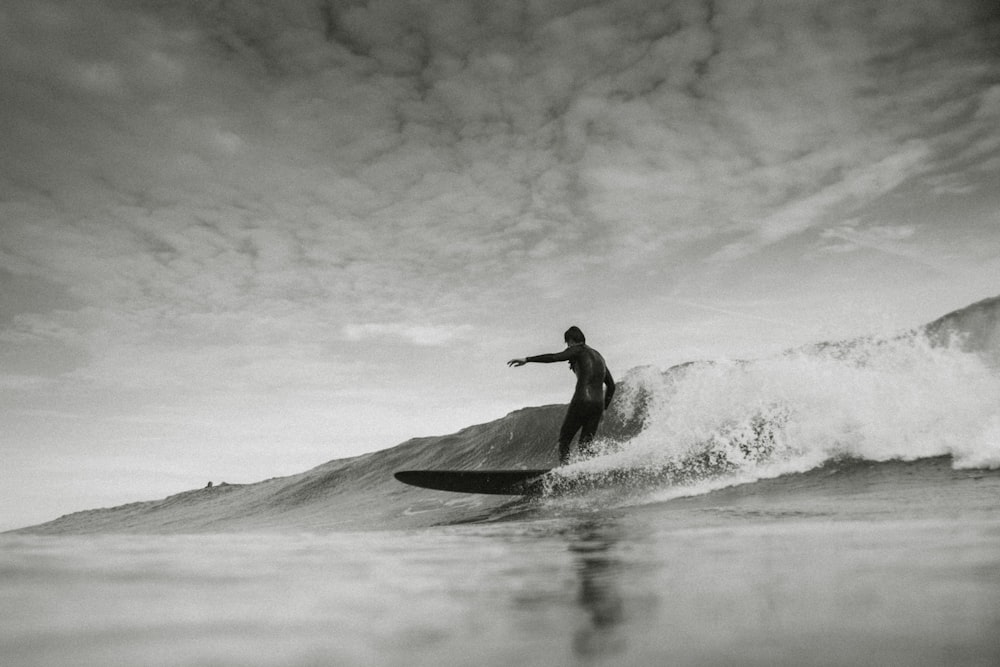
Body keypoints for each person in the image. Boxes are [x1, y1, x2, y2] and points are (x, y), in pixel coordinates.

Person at [508, 326, 615, 465]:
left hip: (582, 400)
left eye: (567, 343)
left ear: (571, 341)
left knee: (565, 440)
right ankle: (591, 472)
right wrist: (604, 409)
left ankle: (565, 475)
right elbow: (611, 386)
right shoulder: (599, 357)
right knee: (585, 445)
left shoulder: (577, 349)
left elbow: (554, 357)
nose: (568, 346)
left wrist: (527, 359)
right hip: (598, 405)